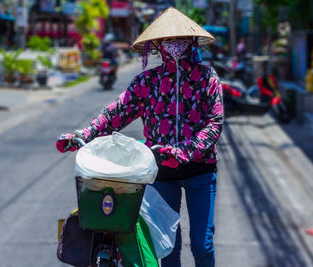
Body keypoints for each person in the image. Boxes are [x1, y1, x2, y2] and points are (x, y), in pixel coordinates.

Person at [56, 7, 223, 267]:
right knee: (168, 246)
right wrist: (83, 134)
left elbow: (214, 124)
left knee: (203, 244)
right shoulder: (147, 81)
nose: (174, 44)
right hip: (161, 173)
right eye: (167, 39)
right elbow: (116, 113)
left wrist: (184, 151)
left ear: (191, 42)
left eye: (179, 39)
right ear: (157, 45)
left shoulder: (206, 78)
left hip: (200, 170)